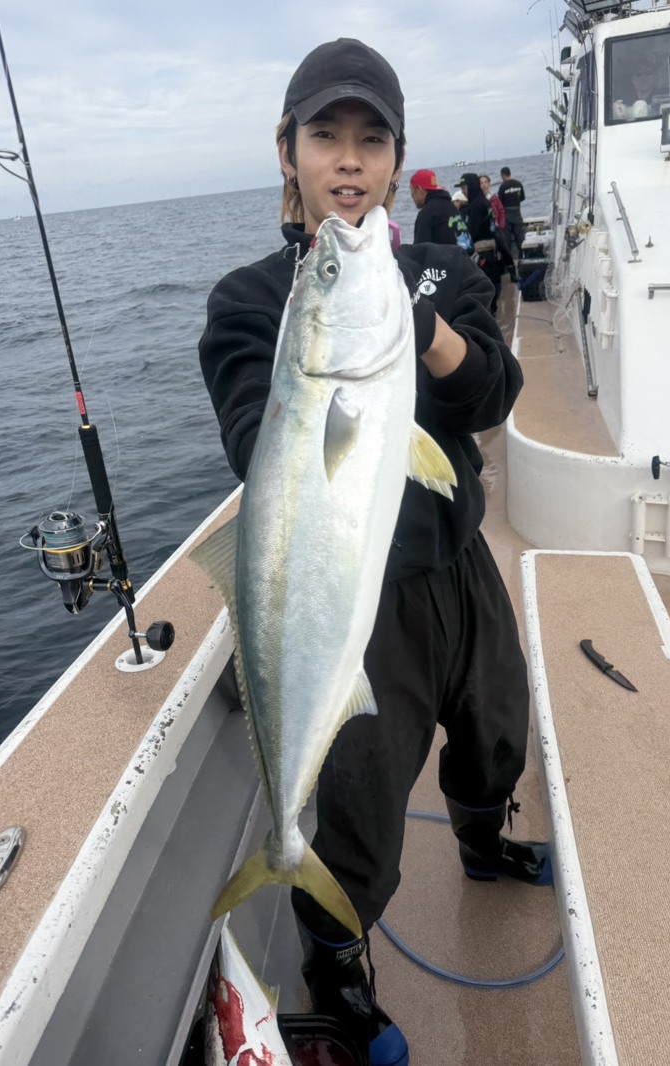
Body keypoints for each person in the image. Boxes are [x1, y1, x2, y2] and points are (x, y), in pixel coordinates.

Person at [199, 38, 548, 1066]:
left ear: (397, 160)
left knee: (497, 723)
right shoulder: (251, 300)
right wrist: (333, 341)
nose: (347, 162)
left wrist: (414, 316)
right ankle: (339, 984)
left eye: (370, 140)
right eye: (324, 137)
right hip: (351, 601)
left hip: (457, 564)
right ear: (286, 152)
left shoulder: (432, 266)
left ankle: (483, 841)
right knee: (353, 812)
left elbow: (488, 392)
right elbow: (251, 432)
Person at [456, 171, 502, 314]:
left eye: (465, 188)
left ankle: (489, 312)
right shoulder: (484, 201)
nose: (463, 191)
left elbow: (473, 231)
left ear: (472, 187)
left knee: (484, 282)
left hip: (482, 251)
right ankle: (493, 308)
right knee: (493, 280)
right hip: (492, 246)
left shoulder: (475, 205)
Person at [480, 173, 517, 283]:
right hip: (485, 232)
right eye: (481, 183)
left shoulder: (494, 198)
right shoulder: (478, 200)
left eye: (485, 182)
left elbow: (501, 211)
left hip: (496, 228)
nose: (484, 185)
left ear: (489, 184)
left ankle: (513, 274)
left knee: (504, 250)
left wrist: (501, 225)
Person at [612, 51, 667, 120]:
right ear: (633, 79)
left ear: (655, 77)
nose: (643, 77)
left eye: (648, 73)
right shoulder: (623, 101)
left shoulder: (665, 96)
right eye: (638, 73)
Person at [409, 168, 457, 245]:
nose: (411, 196)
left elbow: (419, 250)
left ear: (419, 190)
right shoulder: (451, 206)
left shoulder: (426, 214)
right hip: (464, 255)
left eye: (411, 190)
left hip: (446, 256)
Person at [497, 166, 526, 256]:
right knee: (520, 237)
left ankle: (509, 261)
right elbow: (522, 198)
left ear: (503, 175)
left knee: (507, 239)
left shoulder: (502, 186)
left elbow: (499, 202)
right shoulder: (518, 184)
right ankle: (522, 257)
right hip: (517, 212)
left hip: (507, 215)